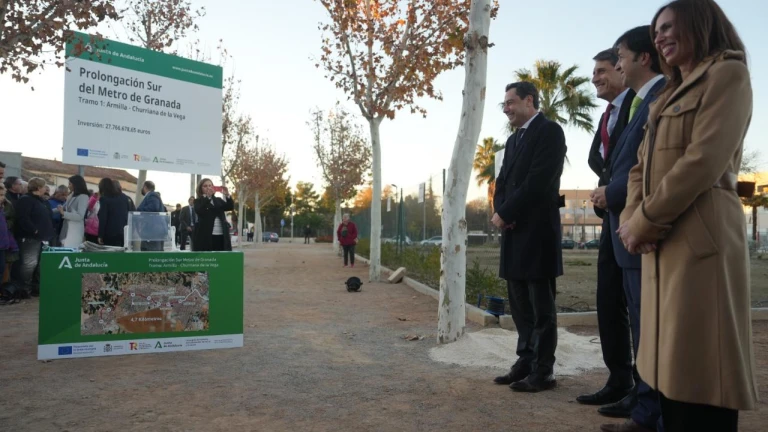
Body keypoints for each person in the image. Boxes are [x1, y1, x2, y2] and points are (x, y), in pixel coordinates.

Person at [617, 1, 757, 430]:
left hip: (701, 241)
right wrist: (631, 219)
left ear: (699, 21)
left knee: (702, 378)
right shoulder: (668, 93)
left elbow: (702, 161)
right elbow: (639, 167)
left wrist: (643, 222)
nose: (658, 37)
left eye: (667, 27)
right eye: (656, 31)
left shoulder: (728, 74)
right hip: (662, 244)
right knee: (669, 377)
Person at [598, 26, 666, 432]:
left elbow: (651, 166)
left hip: (641, 227)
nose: (617, 64)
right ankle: (645, 407)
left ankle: (650, 410)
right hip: (624, 224)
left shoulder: (660, 97)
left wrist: (612, 192)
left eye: (620, 56)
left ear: (643, 57)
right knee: (640, 323)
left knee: (649, 326)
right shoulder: (641, 102)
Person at [491, 82, 566, 393]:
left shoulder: (550, 132)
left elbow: (538, 181)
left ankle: (543, 370)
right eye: (504, 104)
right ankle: (525, 360)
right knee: (520, 304)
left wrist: (507, 212)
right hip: (514, 233)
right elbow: (502, 181)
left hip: (537, 233)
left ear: (529, 100)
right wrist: (501, 210)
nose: (506, 108)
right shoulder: (513, 140)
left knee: (541, 307)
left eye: (510, 102)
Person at [577, 49, 637, 413]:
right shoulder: (607, 115)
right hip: (611, 217)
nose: (595, 78)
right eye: (593, 72)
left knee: (637, 304)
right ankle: (619, 379)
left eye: (601, 70)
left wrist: (612, 188)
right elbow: (599, 158)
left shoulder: (639, 106)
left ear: (621, 68)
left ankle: (645, 391)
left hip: (636, 216)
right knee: (608, 300)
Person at [13, 177, 54, 296]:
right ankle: (24, 289)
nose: (45, 189)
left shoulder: (42, 201)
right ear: (38, 187)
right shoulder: (26, 200)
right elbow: (23, 218)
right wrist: (34, 230)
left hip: (43, 238)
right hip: (30, 238)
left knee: (41, 264)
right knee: (29, 264)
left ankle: (37, 288)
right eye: (44, 186)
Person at [192, 179, 234, 252]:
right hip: (207, 236)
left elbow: (230, 207)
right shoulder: (198, 201)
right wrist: (208, 197)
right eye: (205, 186)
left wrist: (227, 195)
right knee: (209, 256)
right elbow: (199, 210)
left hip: (221, 234)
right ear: (200, 189)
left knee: (221, 256)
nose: (208, 188)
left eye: (210, 185)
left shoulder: (218, 200)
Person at [58, 175, 90, 248]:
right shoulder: (71, 195)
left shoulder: (83, 197)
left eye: (70, 184)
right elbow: (62, 208)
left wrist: (64, 213)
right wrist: (48, 211)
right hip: (66, 228)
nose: (68, 186)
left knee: (70, 250)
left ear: (75, 184)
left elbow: (80, 216)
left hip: (75, 230)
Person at [97, 178, 130, 247]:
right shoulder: (124, 197)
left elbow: (103, 218)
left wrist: (100, 235)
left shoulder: (104, 199)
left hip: (110, 233)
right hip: (123, 232)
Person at [136, 181, 166, 251]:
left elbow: (154, 207)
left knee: (152, 253)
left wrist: (139, 211)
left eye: (142, 187)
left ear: (145, 187)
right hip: (153, 230)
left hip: (152, 231)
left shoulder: (152, 195)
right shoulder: (152, 196)